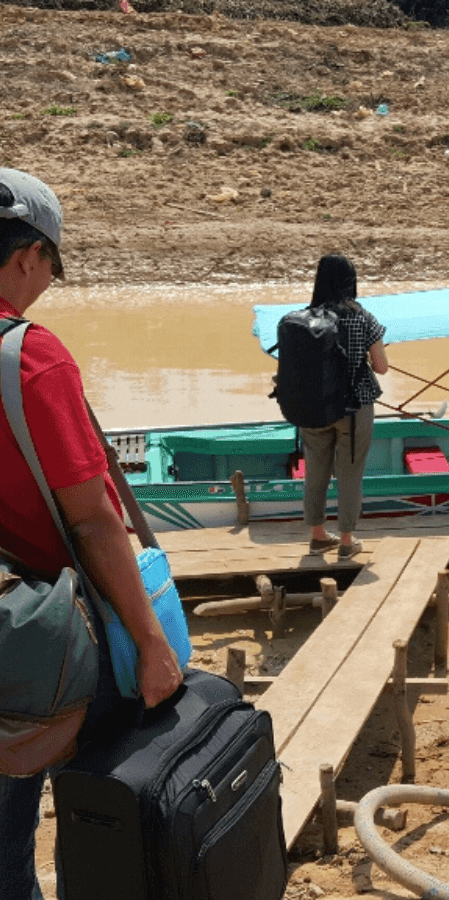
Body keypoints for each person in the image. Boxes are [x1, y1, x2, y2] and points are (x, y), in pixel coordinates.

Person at [0, 168, 182, 900]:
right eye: (51, 267)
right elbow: (92, 518)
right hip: (33, 636)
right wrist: (151, 643)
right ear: (27, 257)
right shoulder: (29, 356)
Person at [300, 254, 387, 559]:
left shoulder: (303, 319)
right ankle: (347, 542)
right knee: (350, 474)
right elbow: (381, 367)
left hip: (313, 409)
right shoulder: (363, 318)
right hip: (354, 407)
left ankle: (318, 537)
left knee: (315, 472)